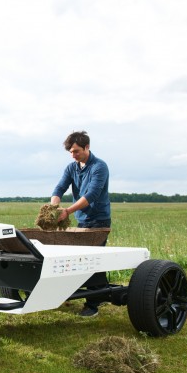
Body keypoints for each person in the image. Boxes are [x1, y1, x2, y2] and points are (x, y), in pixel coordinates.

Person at [50, 130, 111, 317]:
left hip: (99, 220)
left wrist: (67, 211)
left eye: (76, 151)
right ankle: (103, 292)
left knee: (92, 261)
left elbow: (91, 195)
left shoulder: (99, 167)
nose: (73, 155)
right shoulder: (71, 168)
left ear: (87, 147)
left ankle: (92, 305)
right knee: (83, 260)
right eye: (70, 152)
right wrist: (54, 208)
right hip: (82, 221)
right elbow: (60, 188)